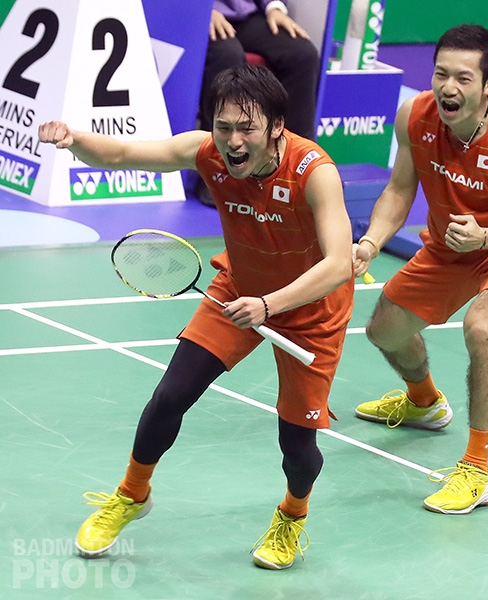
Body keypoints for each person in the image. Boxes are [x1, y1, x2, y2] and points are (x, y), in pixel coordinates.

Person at [38, 64, 354, 570]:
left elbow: (339, 264)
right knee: (170, 396)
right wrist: (74, 140)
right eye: (223, 127)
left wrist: (271, 305)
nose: (233, 141)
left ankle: (292, 515)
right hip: (239, 289)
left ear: (277, 126)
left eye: (246, 128)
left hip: (310, 310)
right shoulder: (206, 151)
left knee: (297, 443)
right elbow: (120, 154)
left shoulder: (314, 172)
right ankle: (132, 494)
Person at [352, 24, 488, 515]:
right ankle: (424, 402)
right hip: (451, 246)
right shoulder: (415, 116)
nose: (448, 87)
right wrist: (370, 242)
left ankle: (476, 467)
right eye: (440, 74)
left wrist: (486, 237)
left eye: (463, 78)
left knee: (481, 327)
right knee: (384, 330)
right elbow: (400, 189)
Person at [194, 1, 320, 206]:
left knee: (302, 54)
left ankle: (299, 169)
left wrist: (274, 7)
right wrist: (199, 10)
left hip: (244, 14)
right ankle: (216, 173)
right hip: (192, 13)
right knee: (227, 56)